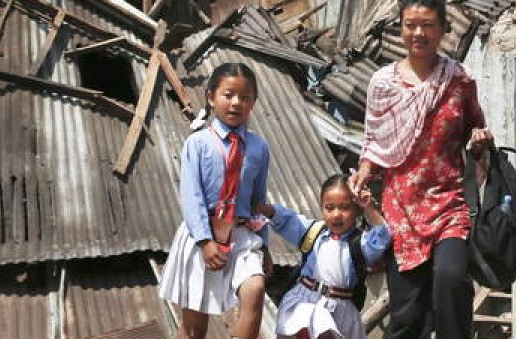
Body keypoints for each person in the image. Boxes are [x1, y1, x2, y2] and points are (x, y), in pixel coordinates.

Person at [349, 0, 493, 339]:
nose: (418, 33)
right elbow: (375, 143)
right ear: (400, 29)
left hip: (449, 206)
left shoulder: (459, 80)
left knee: (451, 282)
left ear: (443, 29)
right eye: (410, 25)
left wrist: (480, 143)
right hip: (401, 213)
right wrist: (365, 172)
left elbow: (476, 128)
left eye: (427, 25)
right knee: (408, 316)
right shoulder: (383, 84)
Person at [160, 62, 272, 339]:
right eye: (228, 94)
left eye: (245, 97)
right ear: (211, 97)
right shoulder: (198, 143)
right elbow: (191, 195)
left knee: (255, 288)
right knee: (194, 328)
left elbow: (259, 200)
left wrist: (266, 245)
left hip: (242, 235)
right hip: (204, 236)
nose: (236, 103)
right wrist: (204, 241)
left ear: (253, 102)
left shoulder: (259, 147)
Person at [256, 174, 391, 339]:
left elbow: (383, 235)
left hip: (340, 309)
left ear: (357, 209)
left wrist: (369, 206)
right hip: (304, 299)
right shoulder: (313, 232)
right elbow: (288, 220)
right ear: (321, 208)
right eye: (329, 207)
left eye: (345, 207)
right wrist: (264, 209)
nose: (336, 214)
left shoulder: (360, 244)